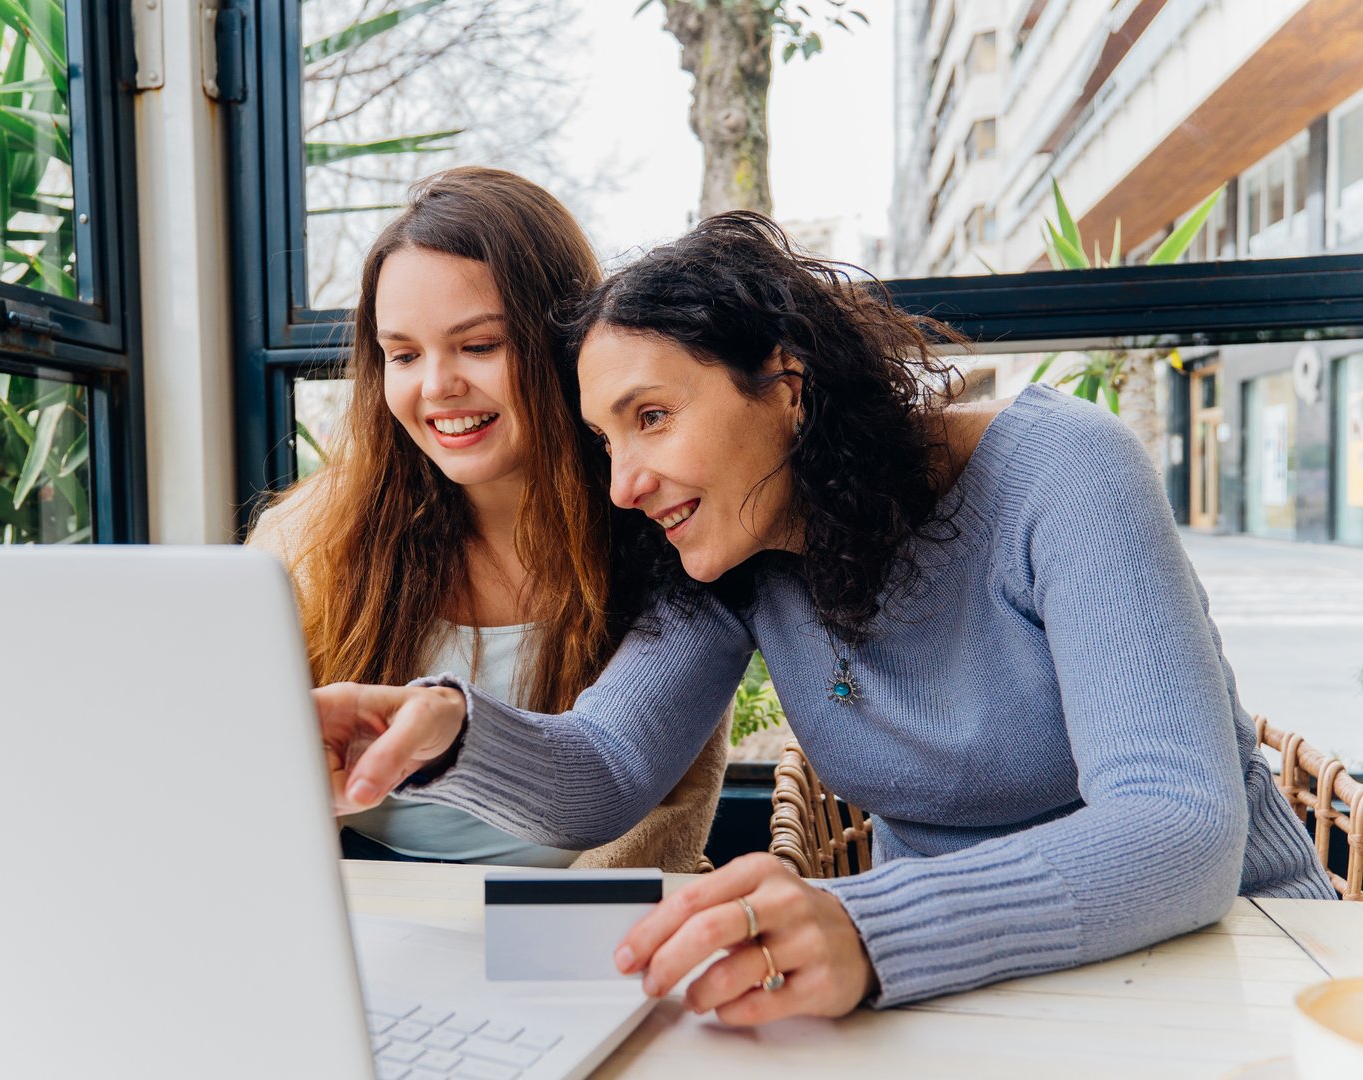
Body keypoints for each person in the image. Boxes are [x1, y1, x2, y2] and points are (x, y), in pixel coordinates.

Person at [313, 211, 1333, 1019]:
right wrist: (445, 732)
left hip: (1243, 972)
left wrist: (869, 930)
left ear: (787, 387)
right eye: (604, 440)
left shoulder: (1063, 470)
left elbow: (1178, 828)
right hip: (972, 994)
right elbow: (606, 771)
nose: (622, 484)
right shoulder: (737, 550)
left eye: (652, 417)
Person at [248, 167, 727, 871]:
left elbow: (643, 794)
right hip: (365, 909)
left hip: (596, 923)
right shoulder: (307, 540)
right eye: (403, 355)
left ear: (567, 344)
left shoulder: (661, 520)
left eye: (479, 346)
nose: (437, 386)